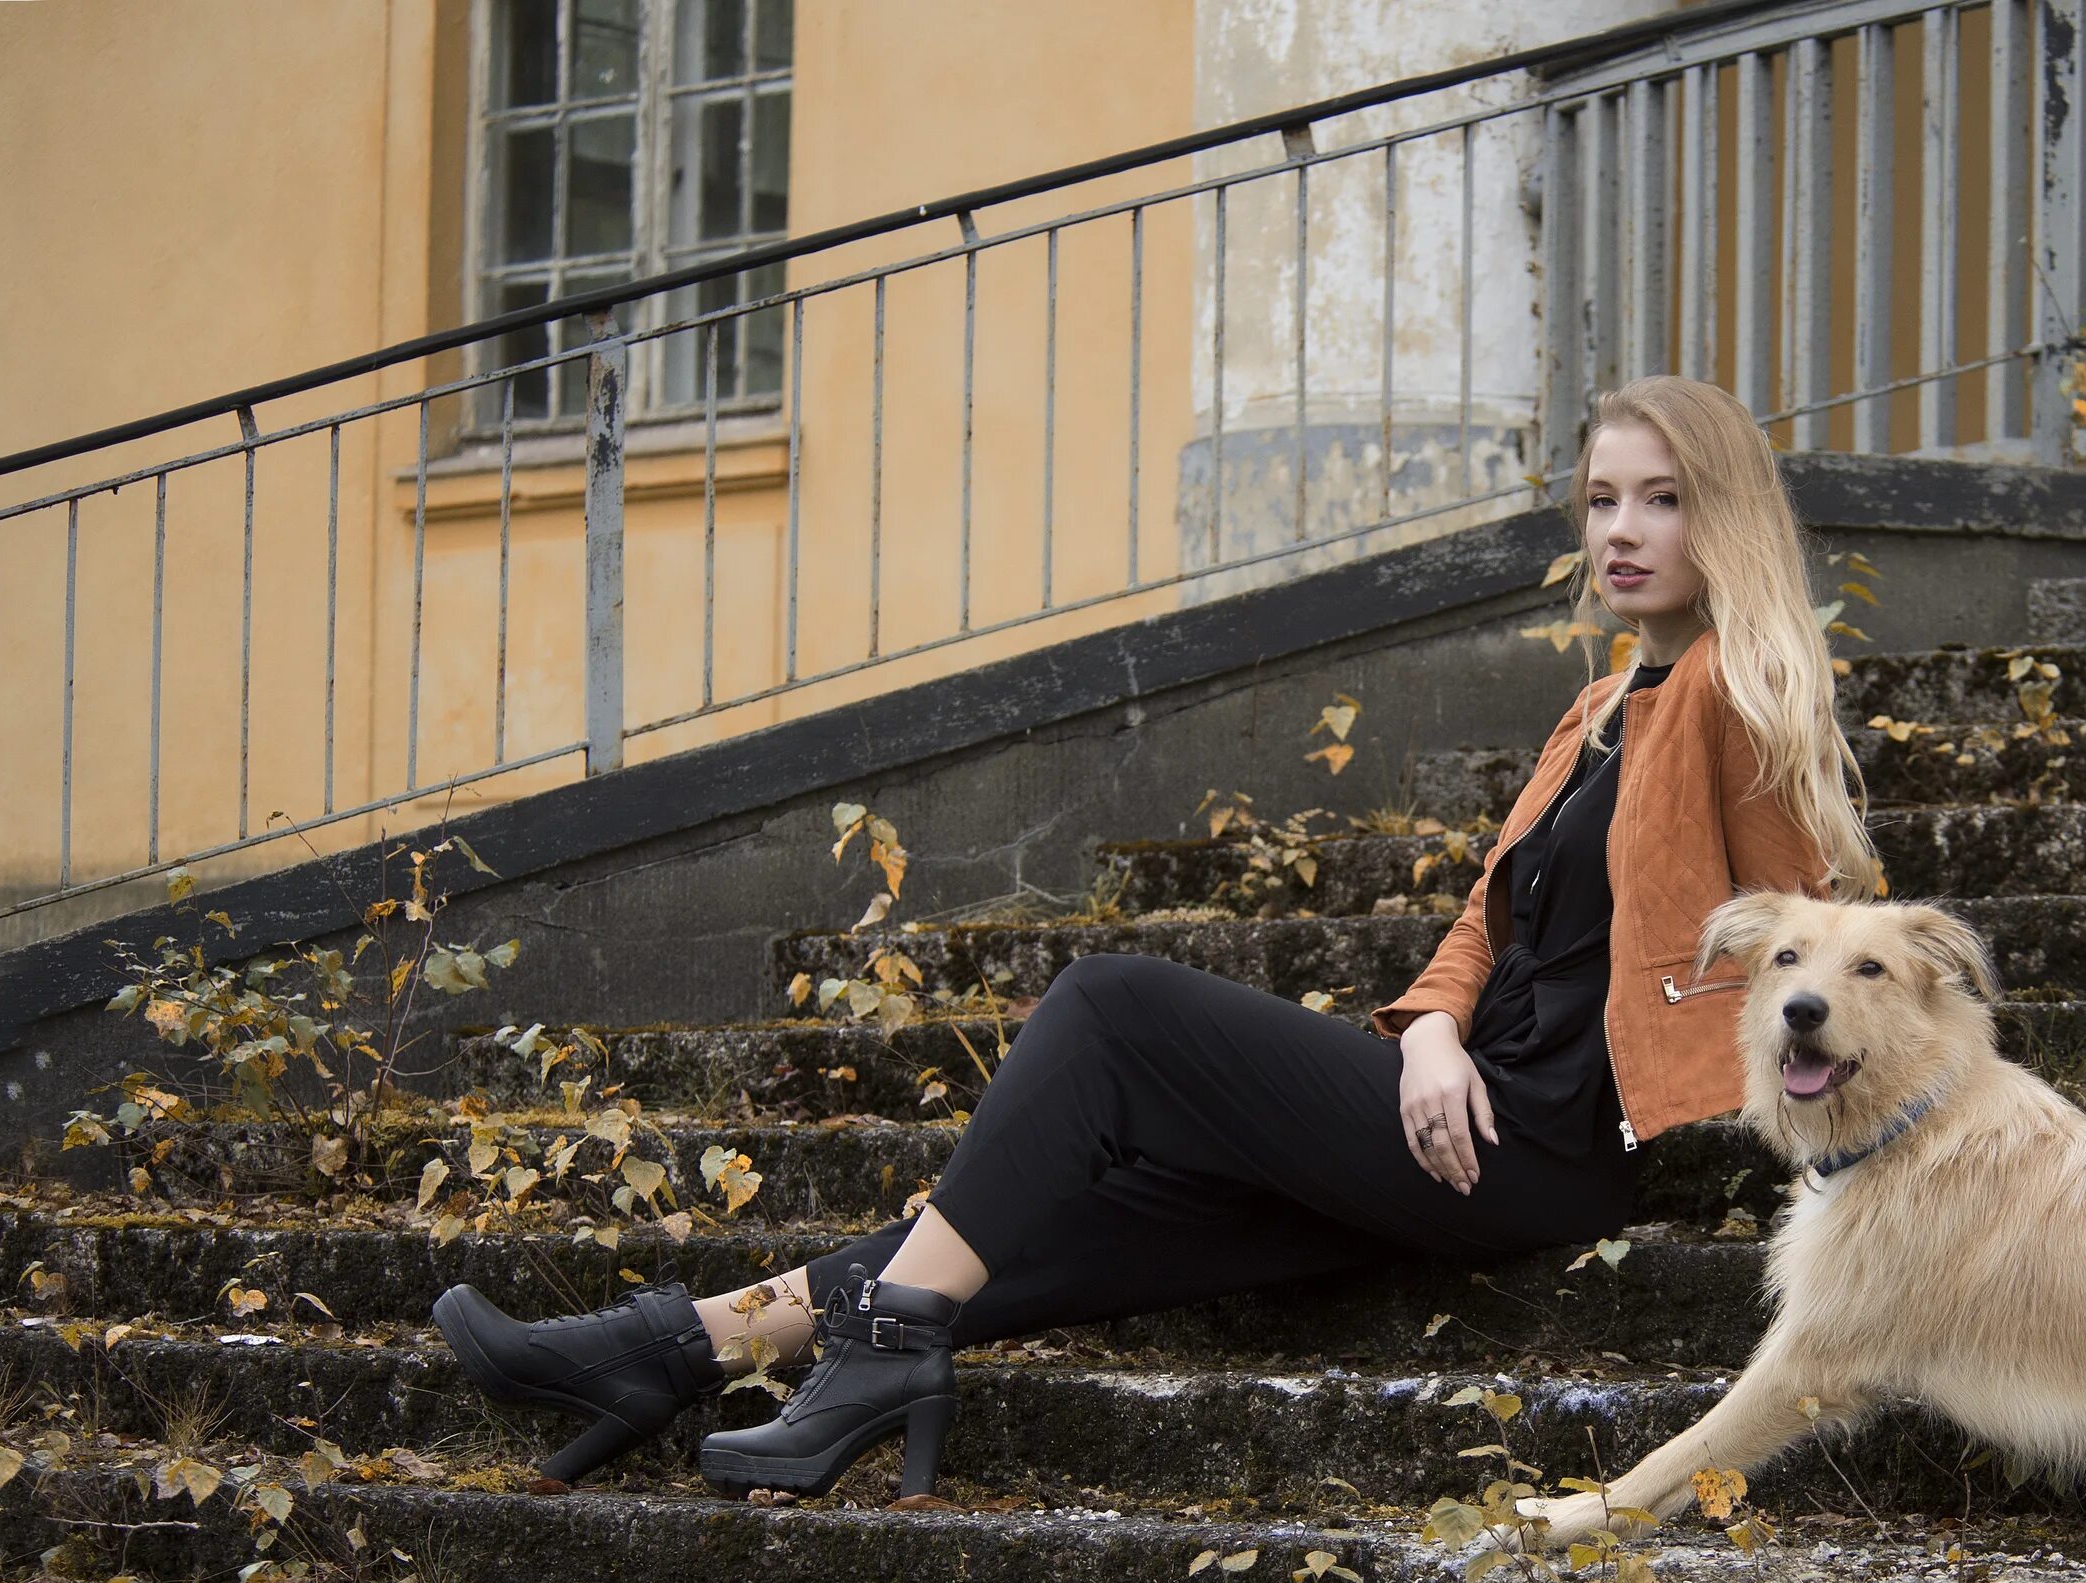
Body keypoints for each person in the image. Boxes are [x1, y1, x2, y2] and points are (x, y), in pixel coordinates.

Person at [428, 374, 1877, 1503]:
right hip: (1462, 1101)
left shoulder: (1732, 700)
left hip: (1547, 1145)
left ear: (1722, 515)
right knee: (1053, 1218)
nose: (1619, 531)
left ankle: (874, 1352)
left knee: (1112, 1008)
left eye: (1661, 500)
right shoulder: (1602, 709)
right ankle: (666, 1353)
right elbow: (1479, 925)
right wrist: (1430, 1028)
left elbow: (1816, 950)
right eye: (1599, 500)